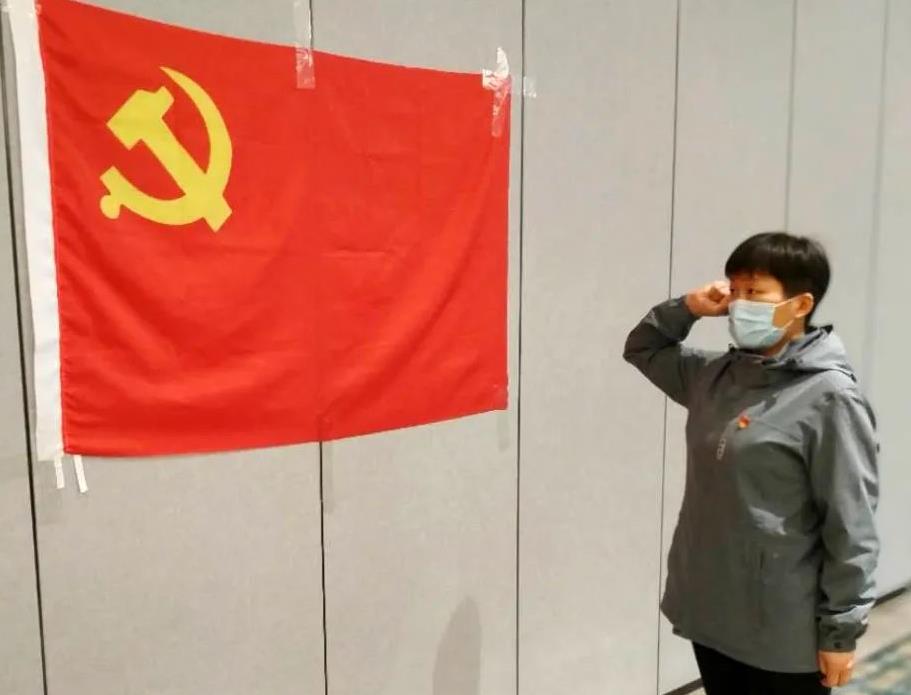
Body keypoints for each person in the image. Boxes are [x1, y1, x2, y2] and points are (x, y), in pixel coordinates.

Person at [624, 232, 879, 694]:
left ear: (801, 304)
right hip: (713, 609)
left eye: (755, 292)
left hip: (782, 627)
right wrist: (689, 307)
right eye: (735, 289)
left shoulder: (830, 398)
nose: (739, 304)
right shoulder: (716, 377)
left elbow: (851, 523)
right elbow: (644, 348)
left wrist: (841, 630)